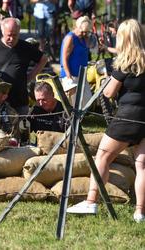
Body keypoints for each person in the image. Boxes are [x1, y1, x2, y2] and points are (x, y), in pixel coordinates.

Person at [66, 19, 145, 223]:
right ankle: (140, 212)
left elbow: (109, 93)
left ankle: (91, 201)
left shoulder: (125, 63)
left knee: (102, 158)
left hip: (127, 117)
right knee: (142, 166)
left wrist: (108, 76)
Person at [0, 17, 47, 115]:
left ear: (19, 32)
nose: (11, 39)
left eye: (15, 35)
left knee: (19, 128)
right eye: (9, 35)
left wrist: (30, 77)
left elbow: (43, 59)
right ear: (2, 31)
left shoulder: (27, 47)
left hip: (19, 100)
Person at [60, 15, 93, 107]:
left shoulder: (83, 38)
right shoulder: (70, 38)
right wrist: (68, 75)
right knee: (73, 103)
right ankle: (71, 121)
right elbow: (64, 58)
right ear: (76, 27)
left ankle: (80, 120)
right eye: (82, 31)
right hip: (71, 75)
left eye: (86, 32)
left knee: (87, 101)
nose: (84, 34)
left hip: (81, 75)